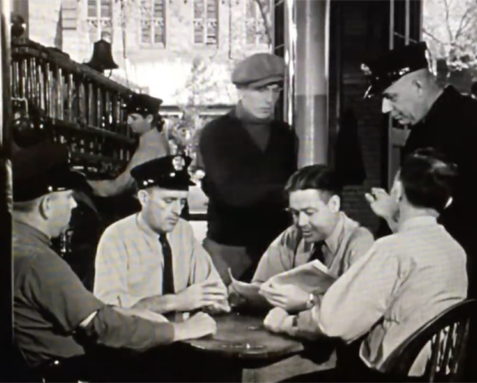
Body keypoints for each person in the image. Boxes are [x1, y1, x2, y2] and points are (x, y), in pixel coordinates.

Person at [12, 140, 217, 382]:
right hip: (67, 371)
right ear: (46, 206)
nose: (74, 204)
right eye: (68, 197)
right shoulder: (37, 260)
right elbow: (101, 326)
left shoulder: (19, 244)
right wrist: (179, 330)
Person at [264, 148, 468, 382]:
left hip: (387, 375)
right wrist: (392, 217)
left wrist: (286, 323)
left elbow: (333, 324)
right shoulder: (454, 249)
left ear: (397, 191)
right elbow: (415, 242)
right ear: (448, 200)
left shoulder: (391, 248)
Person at [361, 42, 477, 381]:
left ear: (418, 84)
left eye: (391, 96)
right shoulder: (421, 131)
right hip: (434, 276)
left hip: (475, 279)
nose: (386, 109)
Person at [198, 52, 297, 285]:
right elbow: (232, 193)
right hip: (229, 250)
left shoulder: (286, 135)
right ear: (241, 92)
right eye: (261, 91)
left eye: (275, 90)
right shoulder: (217, 133)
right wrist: (287, 192)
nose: (269, 99)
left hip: (276, 248)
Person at [93, 155, 229, 314]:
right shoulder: (116, 237)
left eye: (182, 202)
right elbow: (108, 309)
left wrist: (215, 300)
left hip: (185, 331)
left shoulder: (183, 231)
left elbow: (213, 286)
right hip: (138, 335)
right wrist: (176, 302)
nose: (177, 211)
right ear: (144, 198)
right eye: (168, 201)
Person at [247, 165, 374, 313]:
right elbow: (259, 286)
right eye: (295, 213)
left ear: (334, 205)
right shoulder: (293, 236)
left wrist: (309, 301)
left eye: (309, 212)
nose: (301, 222)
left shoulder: (359, 241)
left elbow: (358, 308)